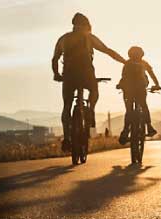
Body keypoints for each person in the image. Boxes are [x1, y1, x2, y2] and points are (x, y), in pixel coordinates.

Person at [52, 13, 126, 151]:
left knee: (67, 105)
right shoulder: (88, 37)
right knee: (94, 90)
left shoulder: (63, 39)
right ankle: (91, 111)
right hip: (86, 74)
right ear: (86, 25)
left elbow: (55, 59)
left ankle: (67, 138)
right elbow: (107, 51)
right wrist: (125, 62)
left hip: (69, 76)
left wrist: (56, 74)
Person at [117, 46, 161, 145]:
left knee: (129, 111)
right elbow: (151, 74)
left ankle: (125, 131)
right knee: (144, 106)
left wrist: (120, 85)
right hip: (141, 89)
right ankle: (149, 127)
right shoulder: (144, 63)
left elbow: (123, 77)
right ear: (142, 54)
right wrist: (157, 84)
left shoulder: (127, 63)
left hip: (128, 90)